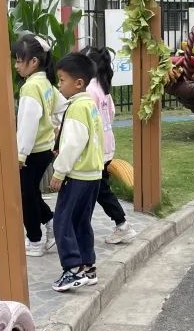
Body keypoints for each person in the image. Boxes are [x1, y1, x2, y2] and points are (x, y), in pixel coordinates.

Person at [49, 52, 104, 292]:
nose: (59, 85)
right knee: (82, 221)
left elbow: (73, 143)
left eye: (62, 80)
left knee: (62, 221)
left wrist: (59, 171)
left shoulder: (76, 109)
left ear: (78, 83)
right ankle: (88, 266)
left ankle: (72, 269)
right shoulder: (89, 105)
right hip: (92, 175)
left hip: (77, 175)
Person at [80, 46, 137, 245]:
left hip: (96, 148)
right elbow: (111, 114)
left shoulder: (88, 90)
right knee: (99, 188)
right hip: (106, 145)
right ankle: (121, 225)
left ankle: (122, 225)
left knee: (99, 189)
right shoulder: (102, 87)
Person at [13, 34, 63, 257]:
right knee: (30, 192)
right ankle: (51, 224)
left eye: (18, 60)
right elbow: (62, 109)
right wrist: (55, 130)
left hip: (32, 152)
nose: (16, 65)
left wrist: (20, 155)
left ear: (33, 62)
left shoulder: (31, 88)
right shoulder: (47, 84)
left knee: (25, 196)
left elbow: (27, 124)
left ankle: (35, 240)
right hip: (44, 150)